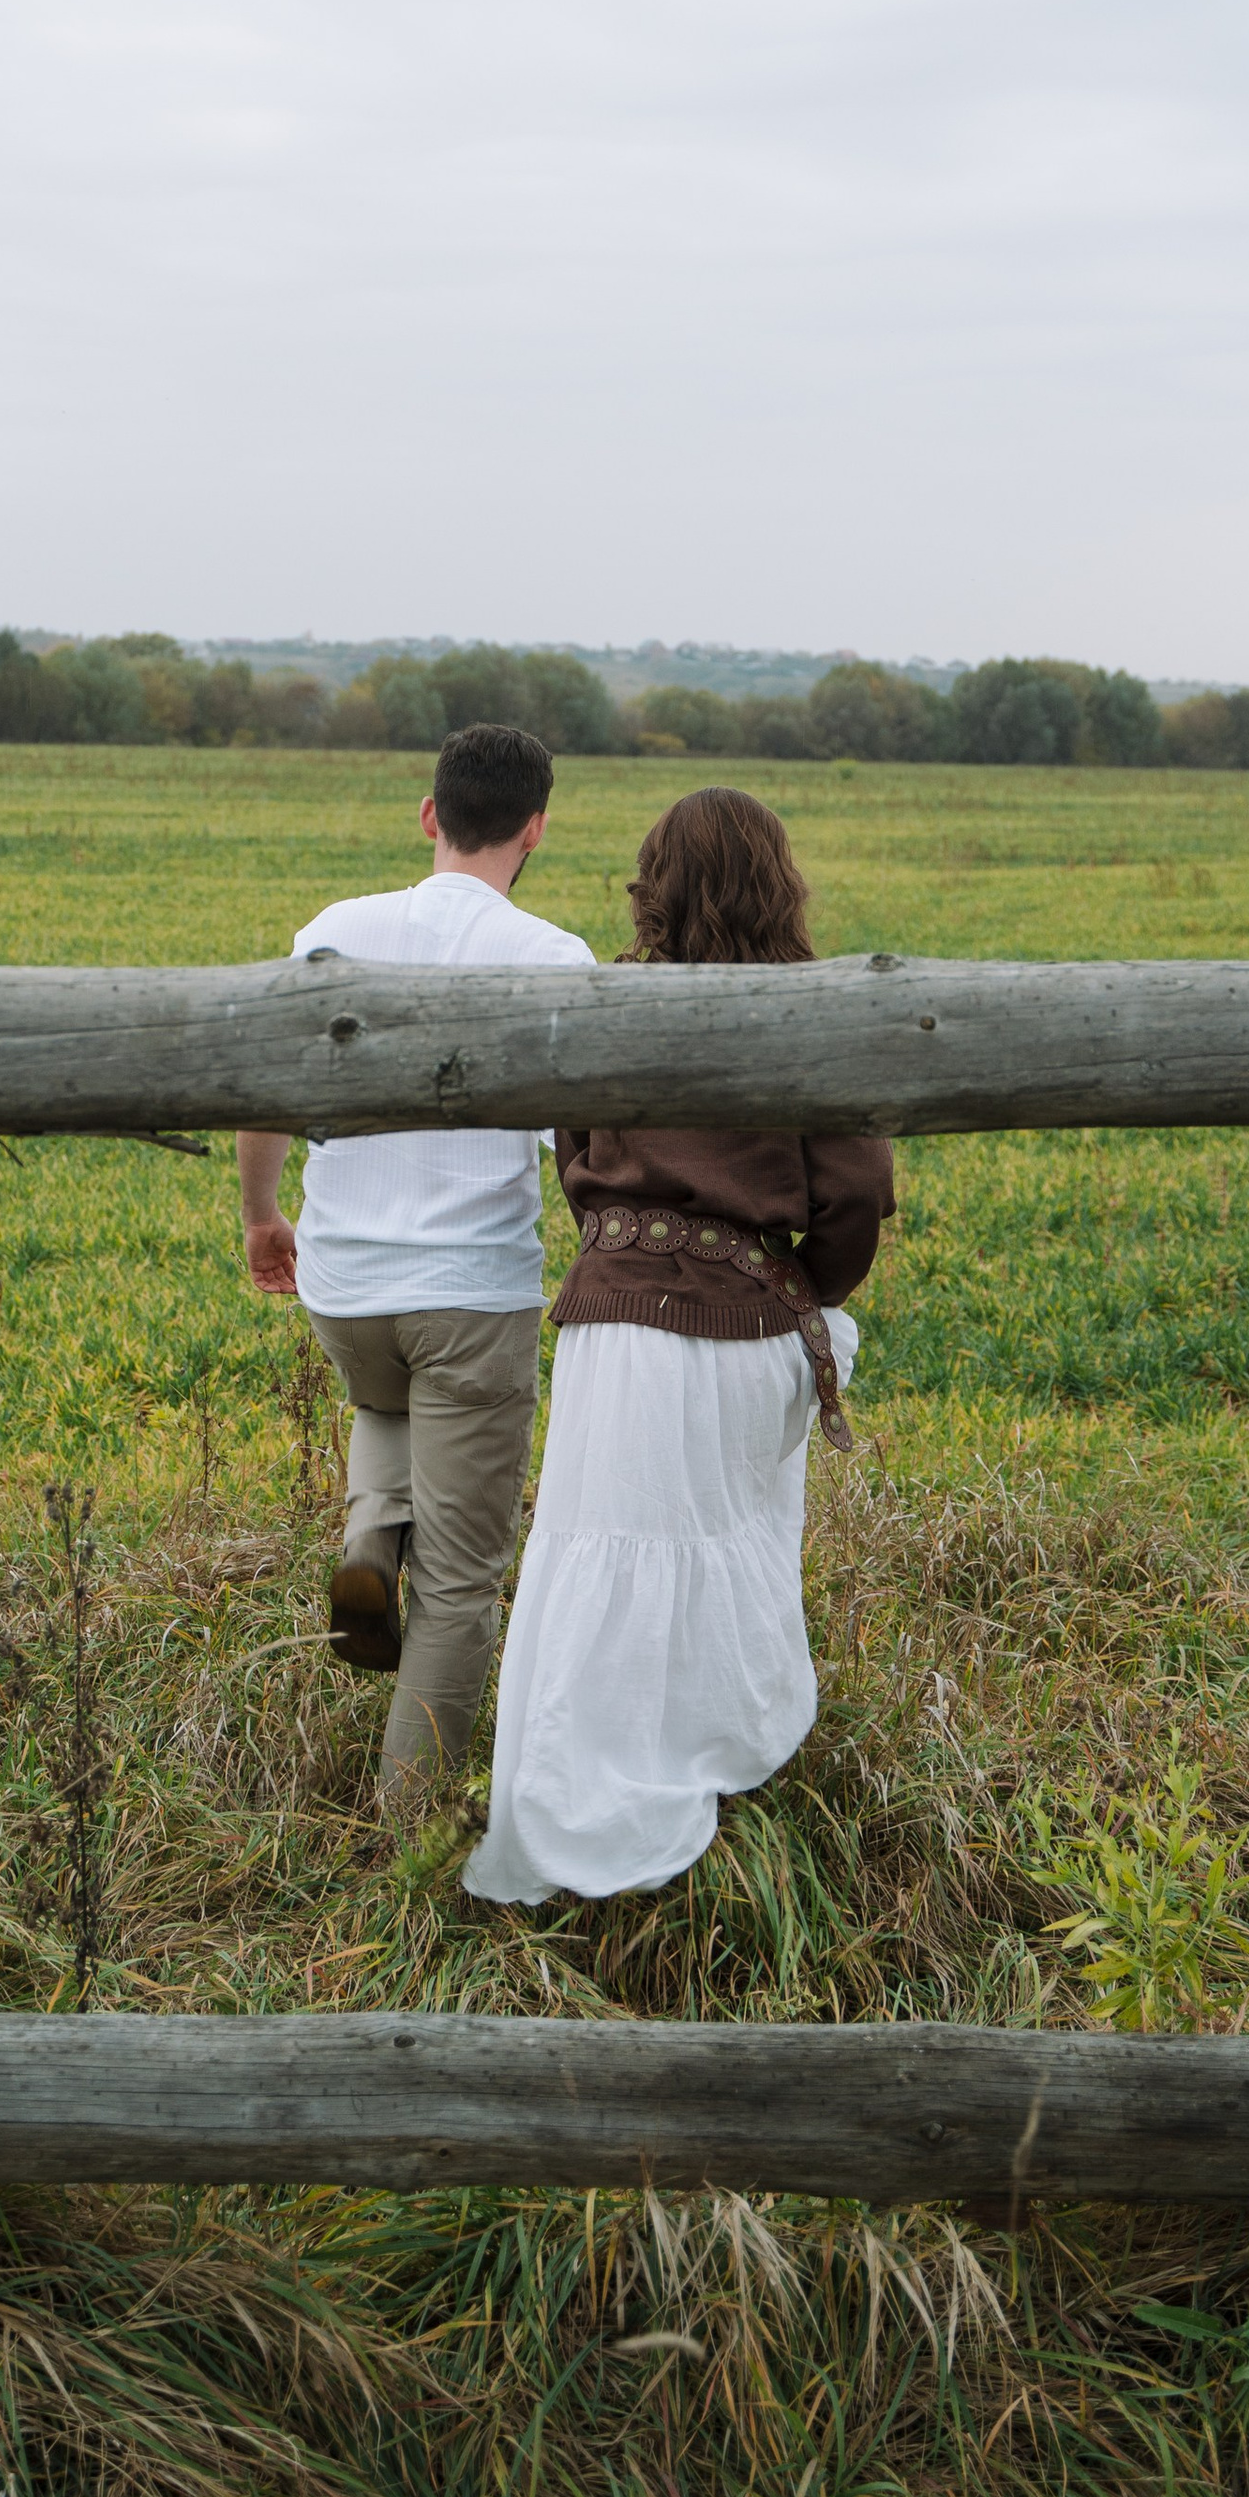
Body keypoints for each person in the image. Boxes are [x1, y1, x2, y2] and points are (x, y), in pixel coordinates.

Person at [463, 785, 894, 1905]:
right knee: (716, 1544)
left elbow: (574, 1157)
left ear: (652, 885)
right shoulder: (816, 1010)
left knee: (600, 1552)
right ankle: (708, 1776)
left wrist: (628, 1255)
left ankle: (577, 1807)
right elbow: (855, 1195)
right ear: (778, 883)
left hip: (614, 1330)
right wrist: (803, 1290)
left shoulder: (603, 1007)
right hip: (749, 1323)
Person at [237, 722, 595, 1806]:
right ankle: (408, 1826)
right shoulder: (551, 959)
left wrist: (263, 1212)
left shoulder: (334, 931)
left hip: (345, 1290)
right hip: (470, 1297)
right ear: (534, 829)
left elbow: (265, 1083)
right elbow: (577, 1143)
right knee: (462, 1582)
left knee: (387, 1394)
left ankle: (365, 1533)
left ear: (430, 815)